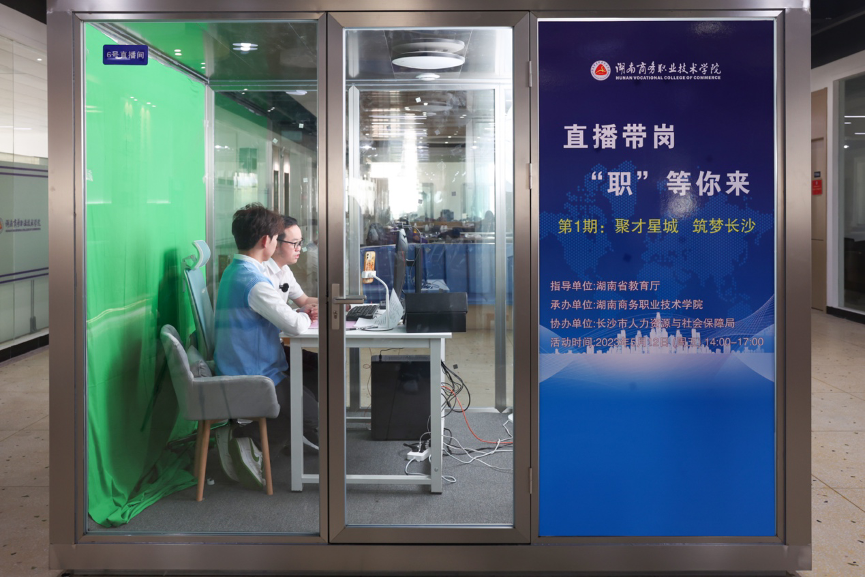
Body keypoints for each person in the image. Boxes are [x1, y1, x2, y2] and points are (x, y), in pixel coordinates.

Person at [212, 203, 319, 491]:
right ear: (266, 241)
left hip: (249, 363)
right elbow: (295, 325)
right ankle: (247, 439)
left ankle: (259, 439)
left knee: (310, 394)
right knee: (312, 418)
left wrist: (301, 312)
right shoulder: (255, 282)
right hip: (254, 372)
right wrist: (304, 314)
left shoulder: (235, 271)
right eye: (276, 237)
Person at [263, 215, 319, 401]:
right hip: (268, 353)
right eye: (294, 243)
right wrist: (305, 313)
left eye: (300, 243)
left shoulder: (284, 270)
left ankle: (310, 409)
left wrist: (341, 304)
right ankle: (305, 411)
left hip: (276, 347)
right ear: (275, 243)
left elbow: (304, 300)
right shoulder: (262, 276)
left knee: (320, 364)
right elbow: (293, 322)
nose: (299, 249)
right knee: (317, 367)